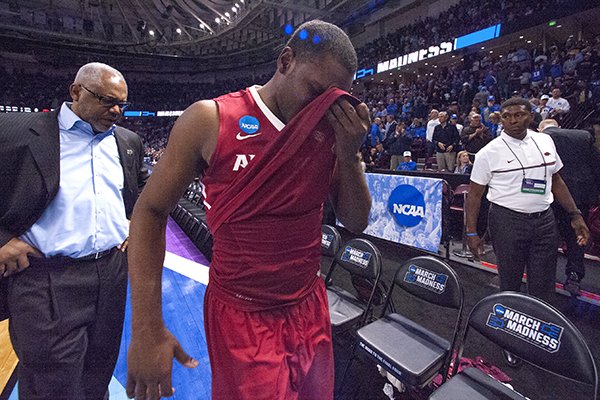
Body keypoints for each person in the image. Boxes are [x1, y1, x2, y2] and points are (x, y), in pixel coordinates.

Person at [126, 20, 371, 400]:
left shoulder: (331, 133)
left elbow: (355, 221)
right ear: (286, 61)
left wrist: (351, 152)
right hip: (243, 315)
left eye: (334, 100)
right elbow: (151, 212)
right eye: (316, 92)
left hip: (309, 304)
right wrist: (146, 327)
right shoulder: (210, 119)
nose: (324, 108)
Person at [0, 62, 149, 399]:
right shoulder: (17, 131)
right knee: (53, 384)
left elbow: (142, 191)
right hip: (46, 277)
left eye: (121, 104)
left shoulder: (129, 141)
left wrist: (134, 224)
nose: (116, 111)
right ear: (75, 91)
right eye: (106, 100)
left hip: (111, 273)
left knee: (98, 372)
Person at [466, 98, 589, 367]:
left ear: (530, 117)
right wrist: (472, 233)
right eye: (506, 116)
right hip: (506, 221)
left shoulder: (545, 142)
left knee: (543, 285)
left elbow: (556, 180)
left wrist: (575, 214)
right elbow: (474, 195)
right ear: (500, 120)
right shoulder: (489, 152)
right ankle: (510, 340)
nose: (512, 120)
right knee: (510, 283)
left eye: (519, 114)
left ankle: (539, 339)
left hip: (544, 221)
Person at [539, 119, 600, 295]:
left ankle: (543, 275)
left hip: (550, 193)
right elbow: (596, 166)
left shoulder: (540, 138)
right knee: (577, 236)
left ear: (541, 128)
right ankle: (574, 276)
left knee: (546, 236)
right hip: (580, 194)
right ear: (558, 126)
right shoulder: (584, 136)